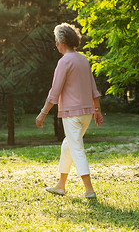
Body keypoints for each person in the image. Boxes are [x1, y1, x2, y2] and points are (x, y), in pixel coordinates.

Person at [36, 23, 103, 199]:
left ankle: (89, 189)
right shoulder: (83, 59)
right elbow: (93, 88)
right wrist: (97, 110)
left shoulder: (64, 61)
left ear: (62, 41)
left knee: (76, 147)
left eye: (56, 40)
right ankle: (61, 185)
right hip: (87, 113)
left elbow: (54, 92)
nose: (56, 44)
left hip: (72, 114)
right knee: (69, 145)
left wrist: (42, 113)